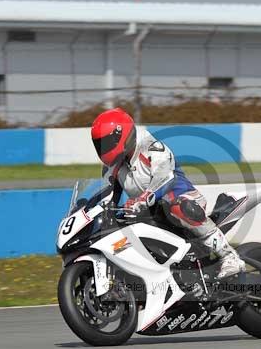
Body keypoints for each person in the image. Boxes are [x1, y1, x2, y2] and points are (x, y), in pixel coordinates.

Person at [90, 107, 247, 278]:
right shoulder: (112, 166)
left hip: (182, 198)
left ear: (120, 136)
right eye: (99, 144)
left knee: (177, 206)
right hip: (147, 211)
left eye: (105, 143)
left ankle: (229, 256)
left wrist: (142, 199)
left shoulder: (152, 148)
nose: (102, 149)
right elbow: (107, 194)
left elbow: (165, 179)